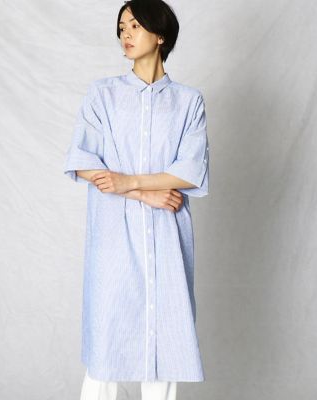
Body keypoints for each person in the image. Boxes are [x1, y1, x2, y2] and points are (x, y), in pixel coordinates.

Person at [64, 0, 210, 399]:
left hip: (167, 239)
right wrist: (145, 192)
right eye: (121, 28)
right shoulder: (103, 95)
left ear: (160, 34)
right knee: (106, 351)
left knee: (164, 346)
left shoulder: (189, 102)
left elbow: (189, 171)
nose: (125, 34)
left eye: (134, 26)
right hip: (113, 237)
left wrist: (127, 181)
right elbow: (82, 162)